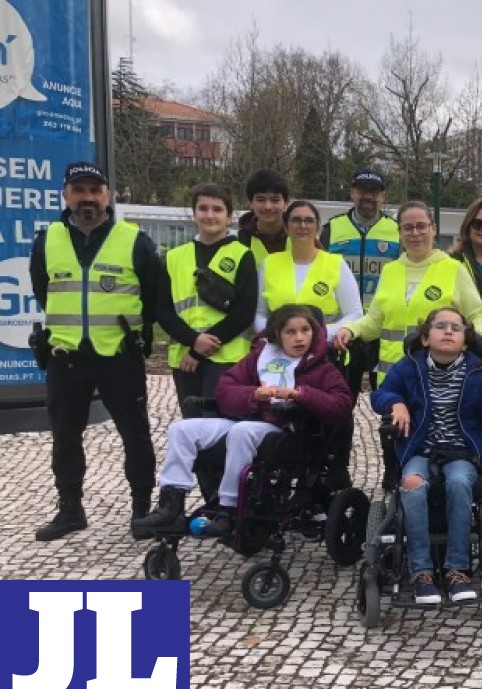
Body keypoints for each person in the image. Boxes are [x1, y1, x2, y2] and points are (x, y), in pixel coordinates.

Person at [132, 305, 354, 538]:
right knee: (181, 429)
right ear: (277, 334)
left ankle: (228, 507)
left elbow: (341, 405)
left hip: (288, 429)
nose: (299, 338)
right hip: (249, 417)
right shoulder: (261, 357)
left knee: (242, 431)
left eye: (305, 330)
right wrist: (254, 395)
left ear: (314, 332)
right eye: (290, 332)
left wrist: (301, 395)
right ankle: (171, 505)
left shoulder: (321, 367)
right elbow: (225, 389)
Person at [29, 161, 162, 541]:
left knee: (135, 434)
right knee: (65, 435)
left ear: (108, 196)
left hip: (119, 354)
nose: (88, 198)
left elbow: (152, 296)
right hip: (66, 356)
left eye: (95, 190)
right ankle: (70, 509)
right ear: (66, 195)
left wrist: (133, 329)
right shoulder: (47, 239)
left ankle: (141, 508)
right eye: (79, 190)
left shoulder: (134, 239)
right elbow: (44, 290)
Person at [371, 308, 482, 605]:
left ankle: (457, 570)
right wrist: (396, 403)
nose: (449, 331)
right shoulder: (409, 367)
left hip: (461, 453)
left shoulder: (480, 372)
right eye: (440, 326)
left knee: (458, 483)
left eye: (456, 327)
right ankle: (422, 573)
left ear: (465, 342)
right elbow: (380, 394)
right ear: (426, 337)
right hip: (421, 450)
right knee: (412, 486)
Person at [333, 201, 482, 489]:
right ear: (399, 232)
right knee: (395, 445)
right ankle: (402, 502)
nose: (415, 232)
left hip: (436, 377)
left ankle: (440, 501)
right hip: (395, 377)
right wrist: (350, 330)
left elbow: (478, 314)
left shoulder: (452, 269)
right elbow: (375, 320)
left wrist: (475, 339)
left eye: (421, 226)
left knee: (432, 440)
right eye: (408, 227)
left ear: (433, 229)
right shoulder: (391, 270)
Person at [158, 183, 257, 408]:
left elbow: (244, 312)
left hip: (227, 357)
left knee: (219, 427)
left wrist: (200, 350)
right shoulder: (173, 258)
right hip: (184, 358)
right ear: (194, 215)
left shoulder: (242, 255)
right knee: (193, 426)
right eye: (203, 208)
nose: (210, 215)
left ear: (230, 216)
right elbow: (163, 310)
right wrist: (193, 342)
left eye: (217, 209)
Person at [319, 166, 402, 388]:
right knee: (341, 398)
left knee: (387, 395)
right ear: (352, 193)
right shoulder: (332, 229)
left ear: (383, 197)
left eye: (374, 192)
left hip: (381, 327)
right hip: (344, 327)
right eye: (362, 190)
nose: (368, 196)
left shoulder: (397, 230)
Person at [254, 201, 363, 337]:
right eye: (296, 220)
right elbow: (259, 313)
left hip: (325, 350)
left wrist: (321, 335)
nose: (303, 226)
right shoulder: (269, 263)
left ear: (318, 228)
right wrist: (275, 337)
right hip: (279, 351)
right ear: (286, 227)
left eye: (309, 221)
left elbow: (355, 313)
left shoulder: (336, 263)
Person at [237, 169, 291, 266]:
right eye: (261, 200)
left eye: (275, 200)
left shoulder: (301, 236)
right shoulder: (240, 241)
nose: (268, 207)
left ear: (286, 203)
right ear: (250, 203)